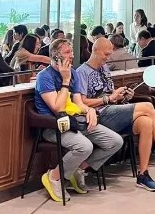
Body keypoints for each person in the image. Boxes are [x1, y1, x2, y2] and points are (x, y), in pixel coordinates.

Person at [75, 39, 155, 192]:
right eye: (106, 54)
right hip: (98, 116)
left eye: (110, 54)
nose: (108, 57)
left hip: (114, 111)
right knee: (148, 107)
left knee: (146, 123)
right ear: (95, 50)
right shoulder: (81, 72)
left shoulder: (104, 68)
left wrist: (122, 95)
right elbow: (82, 102)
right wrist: (109, 99)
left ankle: (143, 174)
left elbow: (110, 94)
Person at [35, 39, 124, 201]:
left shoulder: (74, 73)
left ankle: (78, 169)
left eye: (72, 52)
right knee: (84, 146)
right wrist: (65, 80)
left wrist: (89, 110)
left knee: (115, 142)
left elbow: (78, 103)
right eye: (67, 52)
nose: (72, 56)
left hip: (75, 122)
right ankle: (54, 177)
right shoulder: (44, 77)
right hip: (54, 126)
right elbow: (57, 108)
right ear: (55, 56)